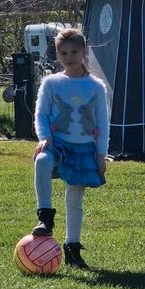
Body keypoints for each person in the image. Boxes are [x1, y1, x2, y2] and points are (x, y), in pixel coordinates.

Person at [31, 27, 110, 269]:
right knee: (42, 161)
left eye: (74, 51)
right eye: (63, 53)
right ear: (57, 55)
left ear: (84, 52)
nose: (69, 57)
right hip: (58, 144)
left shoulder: (96, 87)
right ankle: (45, 217)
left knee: (75, 197)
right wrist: (44, 137)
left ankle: (72, 248)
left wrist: (100, 155)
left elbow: (102, 124)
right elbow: (41, 114)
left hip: (83, 149)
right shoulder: (51, 83)